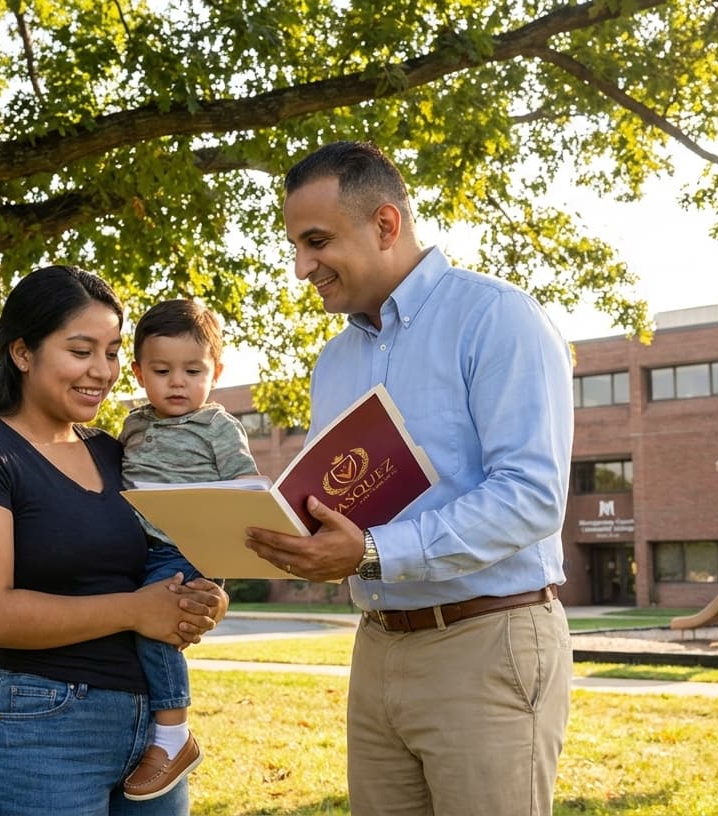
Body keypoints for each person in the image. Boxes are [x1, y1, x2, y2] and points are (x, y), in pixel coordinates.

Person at [244, 141, 575, 816]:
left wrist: (369, 551)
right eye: (295, 247)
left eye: (315, 242)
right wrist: (297, 541)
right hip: (378, 647)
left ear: (386, 225)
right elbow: (336, 499)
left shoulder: (496, 317)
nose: (302, 267)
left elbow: (532, 496)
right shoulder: (333, 363)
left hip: (489, 642)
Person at [0, 265, 228, 815]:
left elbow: (162, 561)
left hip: (150, 734)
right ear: (22, 352)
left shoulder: (119, 451)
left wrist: (200, 599)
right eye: (82, 350)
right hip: (40, 727)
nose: (103, 371)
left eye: (112, 352)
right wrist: (136, 611)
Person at [117, 299, 260, 800]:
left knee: (159, 627)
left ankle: (174, 734)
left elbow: (245, 484)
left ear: (216, 371)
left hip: (191, 548)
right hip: (142, 547)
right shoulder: (133, 425)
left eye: (193, 370)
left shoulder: (218, 425)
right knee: (136, 620)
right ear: (137, 372)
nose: (177, 382)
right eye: (161, 370)